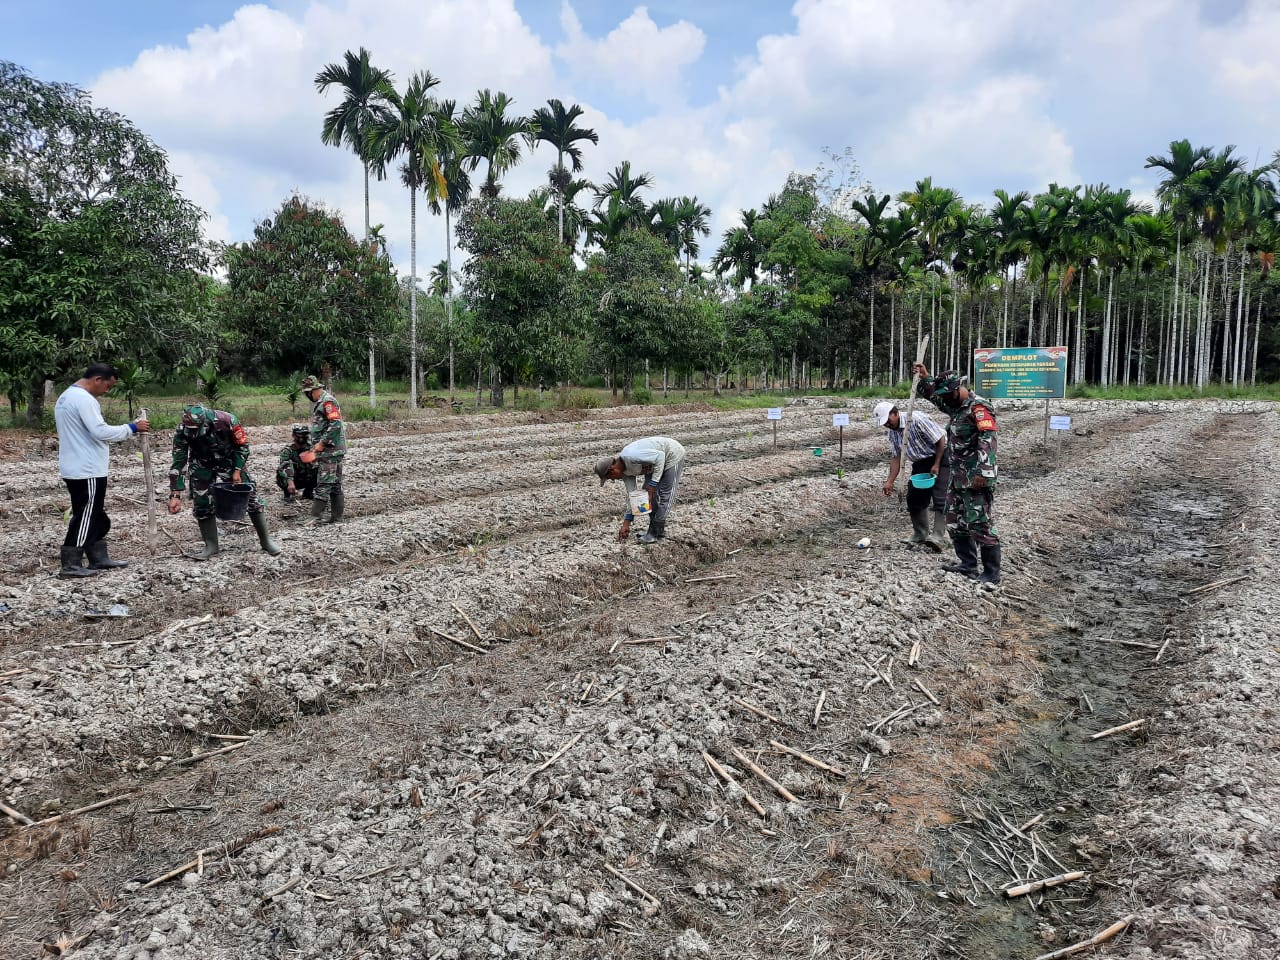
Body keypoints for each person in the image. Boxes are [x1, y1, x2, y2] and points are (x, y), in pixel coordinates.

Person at [53, 363, 150, 578]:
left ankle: (98, 557)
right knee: (86, 516)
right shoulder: (84, 400)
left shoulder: (67, 396)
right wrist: (132, 428)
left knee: (96, 516)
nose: (107, 391)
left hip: (77, 466)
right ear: (97, 379)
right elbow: (100, 431)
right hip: (86, 468)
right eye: (108, 385)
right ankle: (71, 563)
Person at [912, 363, 1001, 585]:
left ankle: (991, 573)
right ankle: (967, 564)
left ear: (957, 388)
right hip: (958, 477)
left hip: (977, 478)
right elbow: (934, 397)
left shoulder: (978, 408)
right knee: (955, 521)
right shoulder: (956, 406)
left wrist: (984, 471)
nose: (945, 400)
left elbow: (988, 439)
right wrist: (925, 378)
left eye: (947, 394)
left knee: (980, 523)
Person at [167, 404, 281, 559]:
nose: (193, 433)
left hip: (229, 459)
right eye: (190, 430)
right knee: (202, 501)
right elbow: (179, 461)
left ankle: (266, 541)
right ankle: (211, 546)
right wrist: (175, 495)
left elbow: (243, 447)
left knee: (250, 496)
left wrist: (237, 471)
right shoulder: (183, 430)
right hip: (202, 462)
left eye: (196, 430)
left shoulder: (226, 420)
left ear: (205, 421)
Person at [872, 400, 949, 552]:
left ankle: (939, 537)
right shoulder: (893, 432)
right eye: (884, 423)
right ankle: (920, 534)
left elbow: (941, 439)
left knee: (940, 497)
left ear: (895, 413)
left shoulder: (917, 420)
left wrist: (937, 464)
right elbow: (896, 457)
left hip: (941, 455)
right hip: (921, 462)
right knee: (914, 498)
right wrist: (890, 481)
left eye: (888, 420)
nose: (887, 424)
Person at [594, 437, 686, 544]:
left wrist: (653, 483)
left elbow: (660, 456)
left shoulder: (631, 456)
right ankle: (656, 531)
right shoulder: (625, 474)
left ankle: (654, 531)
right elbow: (631, 496)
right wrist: (626, 523)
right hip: (654, 465)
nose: (613, 480)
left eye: (610, 477)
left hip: (671, 454)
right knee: (648, 495)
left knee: (666, 495)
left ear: (612, 469)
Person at [299, 375, 346, 524]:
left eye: (308, 392)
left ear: (315, 390)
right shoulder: (321, 402)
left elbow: (335, 424)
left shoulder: (328, 401)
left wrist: (322, 443)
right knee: (335, 484)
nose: (307, 396)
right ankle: (336, 518)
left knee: (324, 482)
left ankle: (315, 516)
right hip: (333, 450)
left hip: (330, 450)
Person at [276, 425, 318, 503]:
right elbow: (284, 466)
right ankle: (287, 493)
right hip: (293, 478)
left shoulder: (311, 448)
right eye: (299, 435)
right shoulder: (288, 450)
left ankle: (308, 492)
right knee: (283, 469)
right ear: (294, 436)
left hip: (306, 476)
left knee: (319, 468)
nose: (302, 437)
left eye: (304, 435)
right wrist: (290, 481)